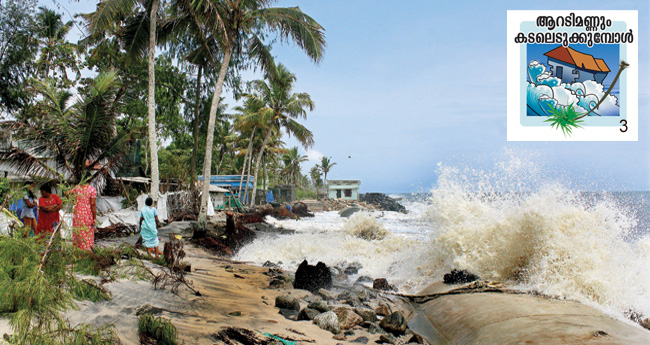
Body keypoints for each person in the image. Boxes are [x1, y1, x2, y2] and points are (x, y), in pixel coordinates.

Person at [70, 183, 97, 250]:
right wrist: (94, 217)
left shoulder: (77, 188)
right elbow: (92, 204)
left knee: (78, 231)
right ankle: (87, 250)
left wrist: (74, 201)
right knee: (87, 232)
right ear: (90, 180)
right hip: (86, 213)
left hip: (77, 212)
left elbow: (67, 193)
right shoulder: (92, 189)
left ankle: (77, 251)